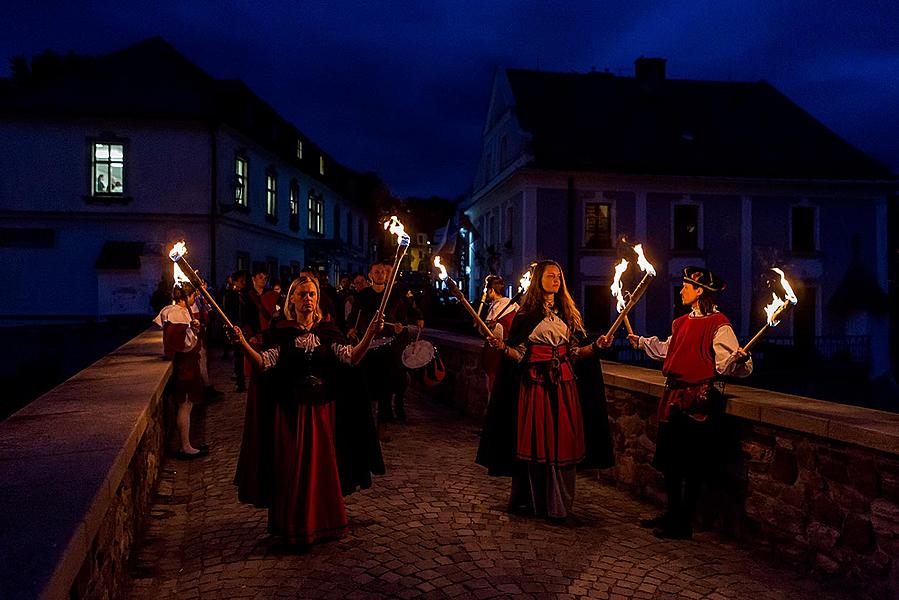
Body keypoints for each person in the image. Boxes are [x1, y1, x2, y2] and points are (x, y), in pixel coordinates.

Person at [232, 275, 385, 545]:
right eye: (302, 294)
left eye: (312, 294)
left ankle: (324, 523)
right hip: (290, 414)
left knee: (323, 470)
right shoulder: (281, 331)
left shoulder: (328, 331)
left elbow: (350, 357)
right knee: (291, 470)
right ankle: (293, 526)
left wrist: (370, 334)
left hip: (322, 412)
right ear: (291, 298)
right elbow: (264, 363)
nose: (307, 299)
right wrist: (243, 344)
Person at [477, 260, 615, 522]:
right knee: (536, 443)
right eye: (551, 276)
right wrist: (501, 347)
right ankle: (534, 501)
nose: (556, 280)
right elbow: (519, 354)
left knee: (563, 443)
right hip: (535, 386)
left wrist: (597, 346)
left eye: (559, 277)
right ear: (539, 279)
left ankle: (559, 505)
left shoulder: (568, 315)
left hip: (564, 386)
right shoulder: (525, 316)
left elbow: (575, 353)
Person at [628, 266, 752, 539]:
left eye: (686, 286)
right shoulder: (681, 322)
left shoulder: (720, 324)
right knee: (671, 463)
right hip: (673, 397)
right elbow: (668, 349)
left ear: (699, 292)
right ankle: (673, 513)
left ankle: (683, 522)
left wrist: (739, 360)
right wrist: (640, 343)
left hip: (697, 402)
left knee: (691, 465)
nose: (681, 289)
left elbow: (727, 364)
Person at [347, 261, 414, 427]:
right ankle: (367, 422)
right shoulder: (363, 295)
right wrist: (351, 329)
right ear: (370, 275)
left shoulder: (394, 296)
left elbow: (403, 321)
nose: (380, 275)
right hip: (368, 347)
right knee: (368, 385)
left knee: (386, 385)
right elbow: (353, 317)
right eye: (376, 272)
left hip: (388, 348)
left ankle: (383, 423)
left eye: (383, 272)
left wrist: (399, 327)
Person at [153, 282, 209, 459]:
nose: (194, 299)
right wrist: (194, 332)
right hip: (184, 366)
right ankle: (185, 446)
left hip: (185, 365)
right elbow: (180, 344)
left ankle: (186, 444)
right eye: (192, 296)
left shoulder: (172, 311)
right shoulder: (177, 314)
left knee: (186, 405)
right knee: (185, 405)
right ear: (186, 297)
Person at [481, 275, 519, 393]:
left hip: (499, 355)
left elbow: (498, 334)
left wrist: (493, 327)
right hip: (506, 353)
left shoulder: (500, 307)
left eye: (487, 290)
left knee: (496, 389)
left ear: (491, 290)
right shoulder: (512, 305)